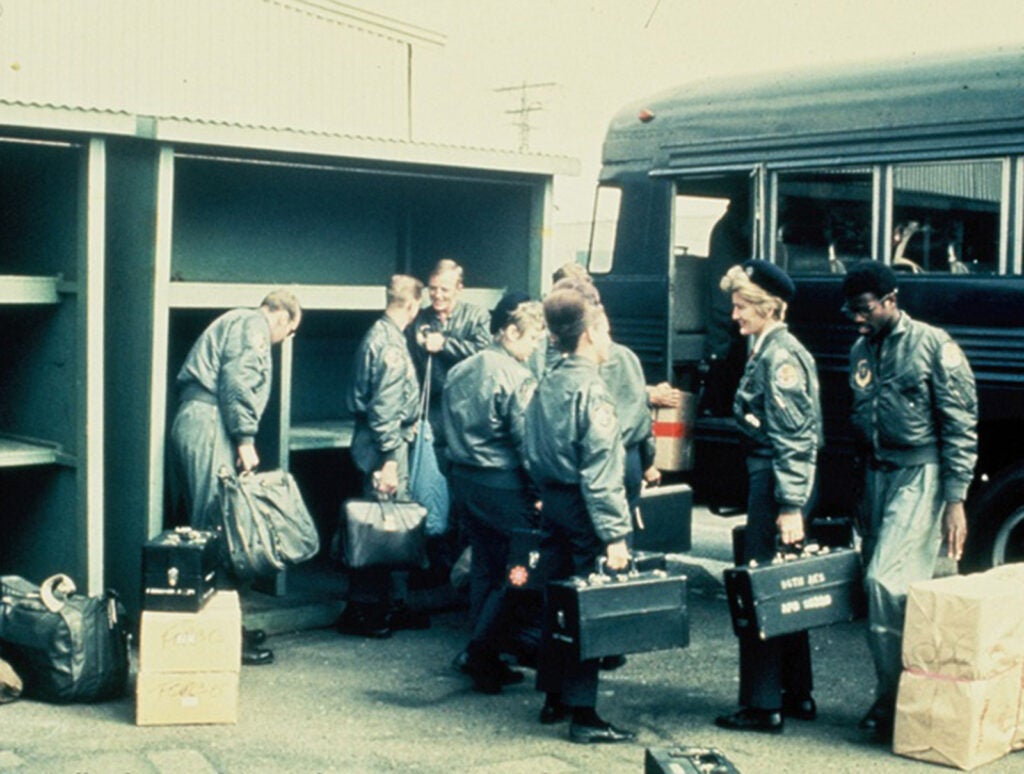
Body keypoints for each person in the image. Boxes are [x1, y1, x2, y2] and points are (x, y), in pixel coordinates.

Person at [842, 261, 978, 741]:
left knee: (886, 583)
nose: (856, 319)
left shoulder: (932, 346)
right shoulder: (861, 349)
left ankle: (894, 700)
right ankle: (909, 696)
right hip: (877, 479)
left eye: (864, 309)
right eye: (851, 310)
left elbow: (960, 425)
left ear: (891, 299)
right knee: (882, 587)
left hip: (921, 474)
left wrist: (955, 499)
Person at [713, 261, 823, 734]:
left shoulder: (779, 358)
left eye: (740, 306)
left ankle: (762, 705)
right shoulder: (766, 348)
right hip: (779, 480)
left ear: (766, 307)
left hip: (778, 481)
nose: (734, 315)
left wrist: (791, 506)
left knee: (761, 591)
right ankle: (795, 693)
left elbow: (795, 440)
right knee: (788, 587)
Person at [524, 285, 635, 745]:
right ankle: (585, 714)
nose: (608, 338)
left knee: (555, 602)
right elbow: (601, 471)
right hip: (586, 507)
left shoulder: (548, 382)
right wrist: (614, 535)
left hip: (553, 503)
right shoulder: (592, 390)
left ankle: (553, 697)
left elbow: (529, 447)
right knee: (591, 607)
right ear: (588, 334)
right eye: (605, 330)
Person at [170, 288, 302, 667]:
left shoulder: (235, 320)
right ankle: (218, 637)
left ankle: (222, 627)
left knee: (208, 526)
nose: (285, 340)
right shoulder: (253, 324)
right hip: (211, 422)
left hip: (200, 419)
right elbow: (238, 381)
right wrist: (245, 438)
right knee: (218, 529)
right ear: (281, 317)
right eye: (289, 332)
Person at [441, 294, 546, 694]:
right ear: (511, 332)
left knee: (485, 565)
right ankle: (482, 650)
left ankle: (483, 654)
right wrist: (538, 490)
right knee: (516, 571)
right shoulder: (517, 378)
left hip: (466, 480)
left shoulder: (462, 369)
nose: (535, 346)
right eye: (533, 337)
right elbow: (526, 443)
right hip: (504, 484)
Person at [336, 275, 431, 639]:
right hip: (383, 446)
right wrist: (391, 459)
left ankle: (387, 603)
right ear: (412, 306)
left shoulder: (382, 335)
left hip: (377, 441)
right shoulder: (390, 344)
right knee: (377, 527)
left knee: (382, 522)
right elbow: (385, 410)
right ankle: (365, 609)